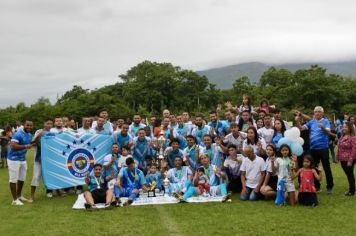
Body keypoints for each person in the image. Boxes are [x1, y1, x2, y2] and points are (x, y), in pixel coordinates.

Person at [297, 106, 334, 194]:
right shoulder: (311, 122)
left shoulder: (325, 121)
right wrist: (298, 120)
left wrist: (323, 128)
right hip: (313, 148)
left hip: (323, 148)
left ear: (322, 113)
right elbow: (301, 128)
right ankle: (317, 186)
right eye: (316, 112)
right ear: (314, 113)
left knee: (326, 167)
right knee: (313, 167)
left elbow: (328, 133)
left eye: (319, 111)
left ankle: (330, 187)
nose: (317, 113)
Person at [7, 119, 34, 205]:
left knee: (22, 178)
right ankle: (14, 200)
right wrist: (26, 146)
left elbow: (32, 143)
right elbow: (13, 146)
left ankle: (19, 196)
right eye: (27, 125)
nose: (29, 127)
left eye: (30, 125)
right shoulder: (18, 133)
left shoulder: (29, 135)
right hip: (13, 159)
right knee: (13, 179)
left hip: (22, 159)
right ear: (24, 125)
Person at [29, 119, 54, 202]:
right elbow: (32, 142)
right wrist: (39, 135)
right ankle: (31, 196)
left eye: (51, 124)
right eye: (47, 123)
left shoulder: (53, 132)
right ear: (44, 123)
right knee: (36, 176)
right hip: (39, 158)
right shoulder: (38, 131)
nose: (49, 125)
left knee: (52, 175)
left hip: (49, 159)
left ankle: (55, 191)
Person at [337, 123, 356, 196]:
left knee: (350, 174)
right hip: (343, 159)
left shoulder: (353, 137)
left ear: (350, 128)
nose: (344, 128)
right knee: (349, 174)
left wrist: (350, 161)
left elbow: (354, 150)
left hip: (349, 160)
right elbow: (340, 147)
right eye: (343, 127)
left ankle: (352, 191)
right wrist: (338, 156)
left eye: (346, 127)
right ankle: (353, 189)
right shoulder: (343, 136)